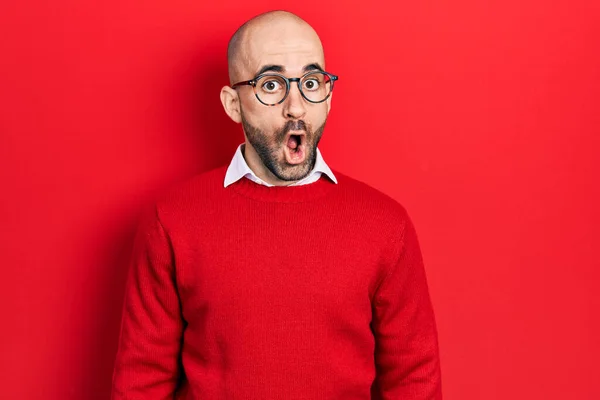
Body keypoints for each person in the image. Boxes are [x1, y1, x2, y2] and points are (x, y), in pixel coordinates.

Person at [111, 10, 442, 400]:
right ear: (233, 104)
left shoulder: (386, 224)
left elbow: (414, 380)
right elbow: (141, 382)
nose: (296, 107)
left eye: (311, 82)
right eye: (271, 85)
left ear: (329, 97)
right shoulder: (172, 219)